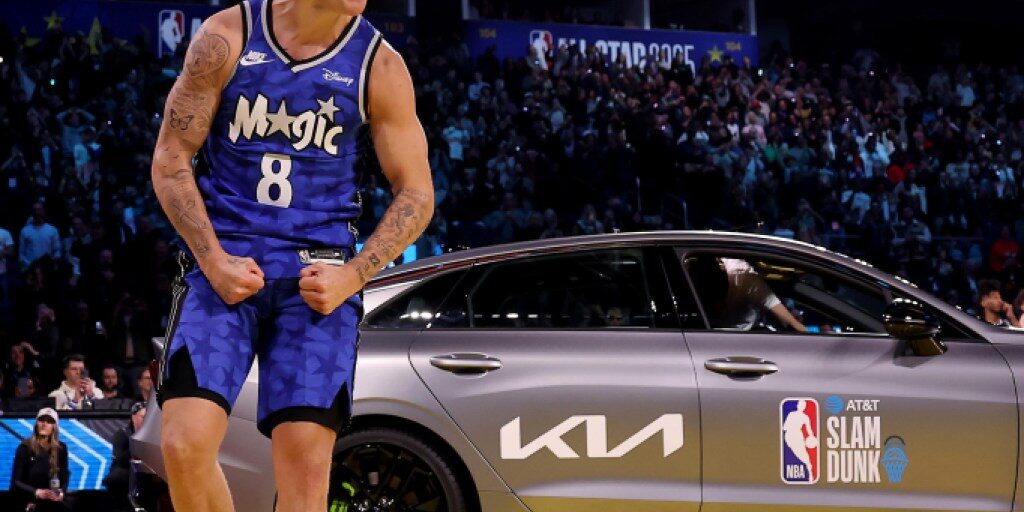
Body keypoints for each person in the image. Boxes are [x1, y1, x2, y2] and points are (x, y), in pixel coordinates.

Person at [149, 1, 433, 511]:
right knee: (183, 444)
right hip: (225, 265)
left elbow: (416, 194)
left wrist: (354, 275)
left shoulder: (379, 64)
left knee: (305, 470)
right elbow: (171, 158)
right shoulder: (228, 35)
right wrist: (212, 260)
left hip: (317, 279)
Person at [688, 256, 808, 332]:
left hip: (745, 337)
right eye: (710, 305)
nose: (718, 311)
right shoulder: (686, 274)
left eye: (722, 302)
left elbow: (789, 322)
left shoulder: (745, 278)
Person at [10, 408, 70, 512]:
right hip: (29, 498)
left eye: (49, 422)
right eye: (41, 420)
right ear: (36, 424)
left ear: (54, 427)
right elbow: (16, 482)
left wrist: (61, 493)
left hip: (52, 500)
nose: (44, 424)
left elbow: (64, 475)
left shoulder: (61, 448)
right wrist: (37, 492)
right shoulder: (24, 447)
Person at [104, 402, 147, 511]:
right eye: (143, 417)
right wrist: (137, 445)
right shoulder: (122, 434)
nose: (146, 421)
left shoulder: (154, 434)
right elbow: (120, 459)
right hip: (125, 472)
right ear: (133, 417)